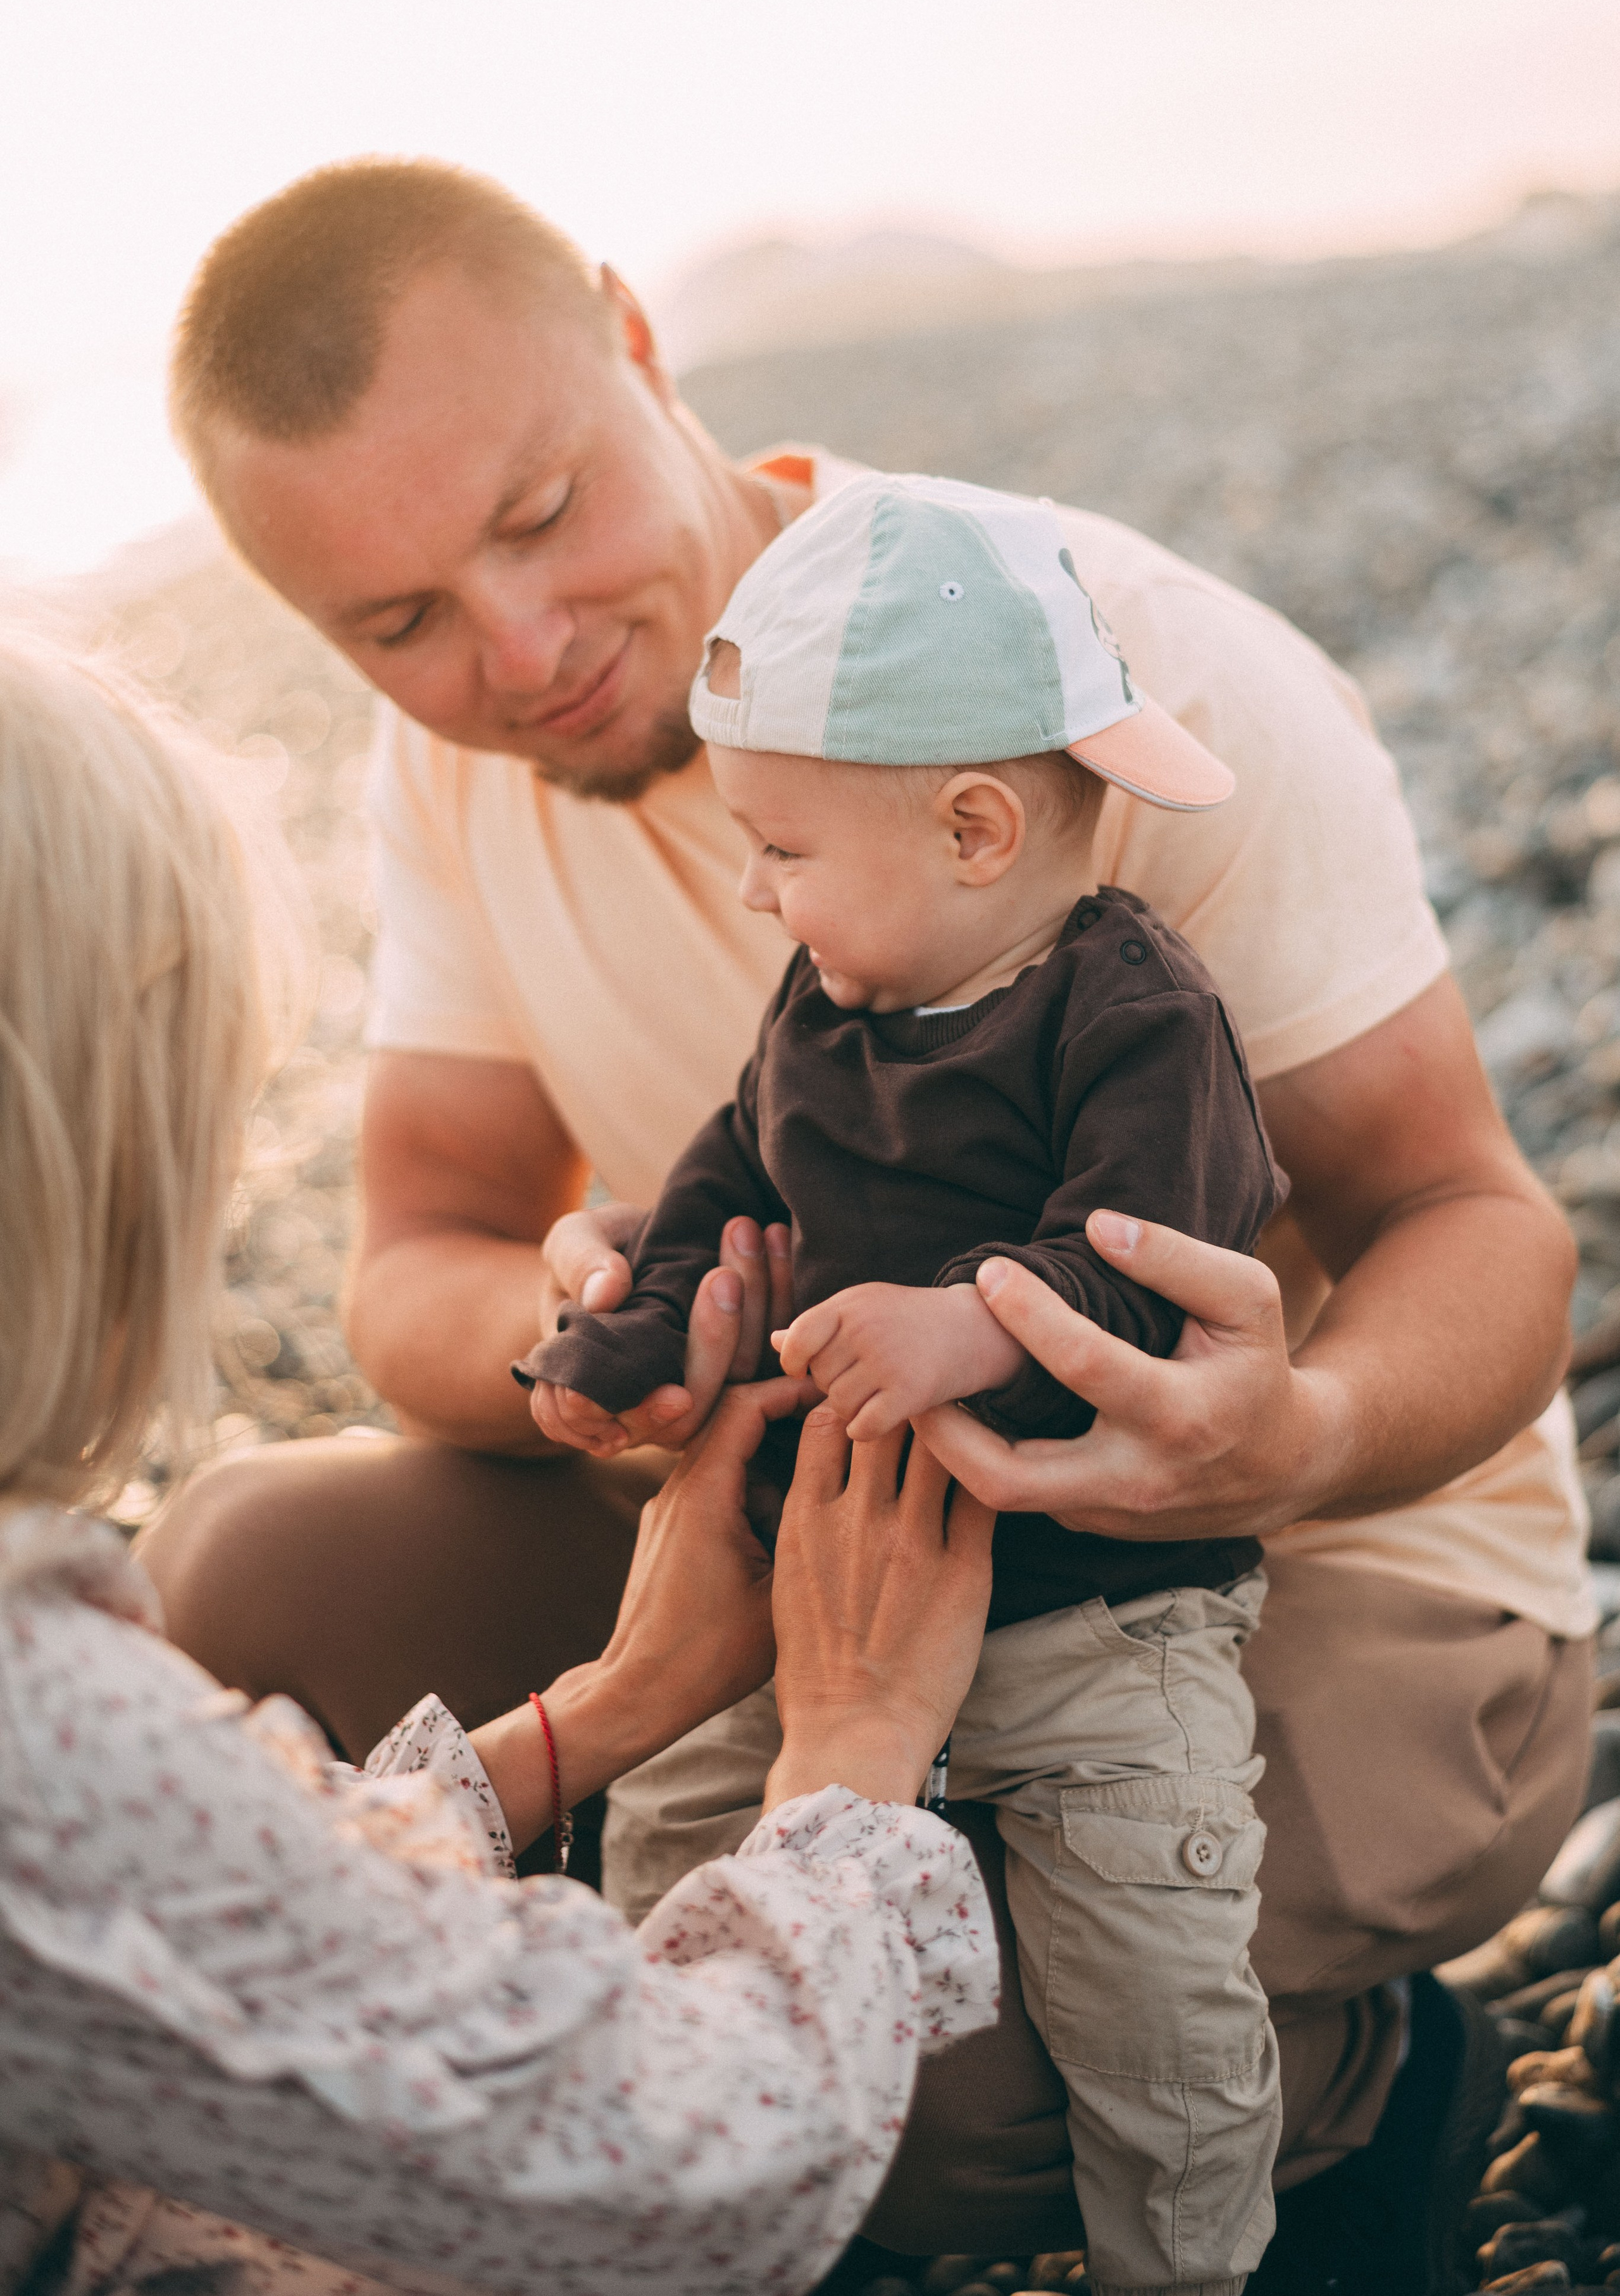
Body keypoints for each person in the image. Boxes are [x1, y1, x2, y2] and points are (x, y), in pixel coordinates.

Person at [142, 159, 1591, 2274]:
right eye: (398, 624)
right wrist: (584, 1348)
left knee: (909, 2079)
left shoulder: (1096, 686)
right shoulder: (448, 764)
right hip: (832, 1528)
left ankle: (1364, 2084)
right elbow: (417, 1254)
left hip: (1309, 1568)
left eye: (539, 516)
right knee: (235, 1567)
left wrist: (1296, 1434)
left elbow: (1484, 1220)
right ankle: (675, 1958)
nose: (516, 652)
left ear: (640, 346)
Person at [0, 616, 1001, 2296]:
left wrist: (597, 1709)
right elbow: (692, 2173)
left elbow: (179, 1916)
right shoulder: (48, 1730)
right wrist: (851, 1757)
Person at [530, 468, 1289, 2296]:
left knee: (1150, 1994)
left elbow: (1154, 1234)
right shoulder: (823, 1001)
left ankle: (1188, 2256)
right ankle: (692, 2181)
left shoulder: (1134, 1012)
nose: (753, 883)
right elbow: (726, 1175)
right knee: (671, 1844)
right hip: (823, 1602)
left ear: (970, 829)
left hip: (1095, 1626)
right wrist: (625, 1342)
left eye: (781, 846)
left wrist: (975, 1315)